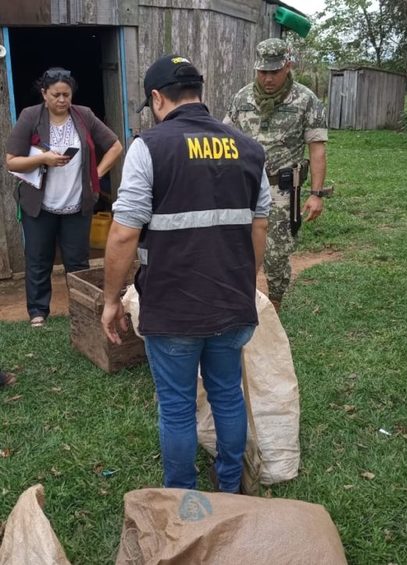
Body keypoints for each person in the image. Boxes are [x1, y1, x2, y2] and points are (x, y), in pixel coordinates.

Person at [101, 54, 271, 493]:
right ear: (199, 91)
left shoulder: (149, 147)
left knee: (176, 406)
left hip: (173, 306)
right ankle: (231, 485)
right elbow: (259, 225)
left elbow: (122, 235)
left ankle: (182, 496)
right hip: (232, 301)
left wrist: (110, 299)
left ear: (157, 98)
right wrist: (253, 280)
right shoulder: (250, 149)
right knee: (227, 394)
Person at [5, 67, 123, 328]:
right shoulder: (30, 116)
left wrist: (96, 175)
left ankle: (80, 310)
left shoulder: (84, 116)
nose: (62, 100)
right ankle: (38, 313)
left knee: (78, 262)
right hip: (39, 205)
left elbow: (115, 146)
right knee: (38, 258)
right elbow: (11, 162)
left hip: (77, 203)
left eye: (66, 95)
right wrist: (44, 159)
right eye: (56, 94)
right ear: (44, 94)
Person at [224, 38, 328, 312]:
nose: (268, 78)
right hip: (244, 186)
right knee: (237, 244)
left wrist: (316, 194)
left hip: (282, 190)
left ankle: (275, 304)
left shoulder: (306, 100)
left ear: (287, 66)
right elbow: (224, 139)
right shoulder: (242, 98)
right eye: (263, 72)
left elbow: (317, 150)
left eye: (274, 71)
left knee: (277, 252)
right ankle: (240, 299)